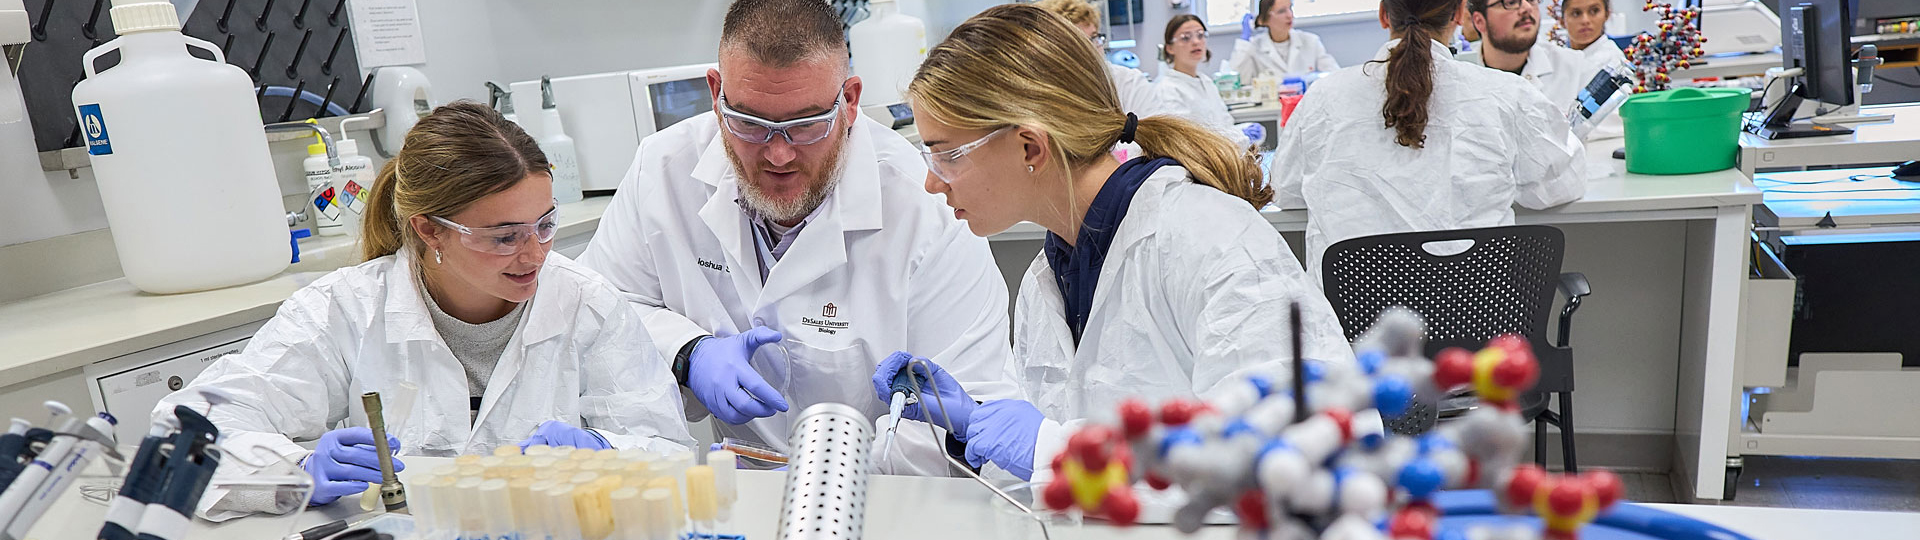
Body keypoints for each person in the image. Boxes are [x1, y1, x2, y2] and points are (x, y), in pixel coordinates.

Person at [877, 3, 1354, 482]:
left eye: (946, 155)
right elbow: (1065, 474)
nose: (932, 184)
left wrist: (1053, 449)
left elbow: (1300, 449)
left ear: (1030, 147)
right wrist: (974, 427)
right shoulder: (1048, 277)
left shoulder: (1210, 238)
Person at [156, 102, 692, 519]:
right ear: (429, 229)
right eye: (504, 237)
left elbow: (671, 448)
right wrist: (293, 470)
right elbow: (184, 434)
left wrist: (604, 449)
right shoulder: (343, 310)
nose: (535, 254)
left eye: (545, 225)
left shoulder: (585, 303)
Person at [576, 0, 1017, 475]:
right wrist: (687, 351)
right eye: (750, 124)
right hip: (741, 498)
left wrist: (825, 477)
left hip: (886, 502)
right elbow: (603, 312)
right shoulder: (662, 170)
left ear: (848, 101)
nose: (779, 154)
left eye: (805, 125)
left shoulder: (925, 209)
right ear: (716, 93)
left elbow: (969, 415)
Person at [1270, 0, 1586, 274]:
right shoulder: (1508, 94)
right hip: (1475, 330)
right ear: (1460, 14)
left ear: (1383, 15)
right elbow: (1559, 183)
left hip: (1357, 336)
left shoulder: (1323, 97)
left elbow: (1286, 190)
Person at [1033, 0, 1168, 118]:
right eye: (1080, 42)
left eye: (1094, 38)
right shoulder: (1042, 94)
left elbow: (1157, 137)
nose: (1092, 50)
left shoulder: (1129, 83)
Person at [1460, 0, 1597, 106]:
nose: (1527, 8)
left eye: (1531, 0)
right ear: (1479, 22)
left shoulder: (1574, 68)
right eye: (1511, 2)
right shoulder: (1459, 79)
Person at [1153, 14, 1256, 147]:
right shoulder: (1167, 89)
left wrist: (1240, 131)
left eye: (1200, 35)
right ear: (1170, 48)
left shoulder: (1206, 82)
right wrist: (1238, 137)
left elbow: (1224, 124)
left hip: (1223, 154)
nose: (1196, 41)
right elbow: (1186, 140)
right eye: (1185, 37)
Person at [1229, 0, 1340, 80]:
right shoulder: (1254, 47)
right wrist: (1244, 41)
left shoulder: (1310, 41)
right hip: (1271, 109)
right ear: (1264, 20)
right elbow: (1239, 80)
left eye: (1290, 8)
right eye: (1281, 11)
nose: (1289, 15)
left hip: (1306, 106)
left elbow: (1334, 75)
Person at [1561, 0, 1626, 68]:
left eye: (1594, 11)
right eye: (1576, 13)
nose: (1585, 20)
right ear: (1562, 21)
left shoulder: (1612, 61)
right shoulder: (1558, 58)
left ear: (1606, 15)